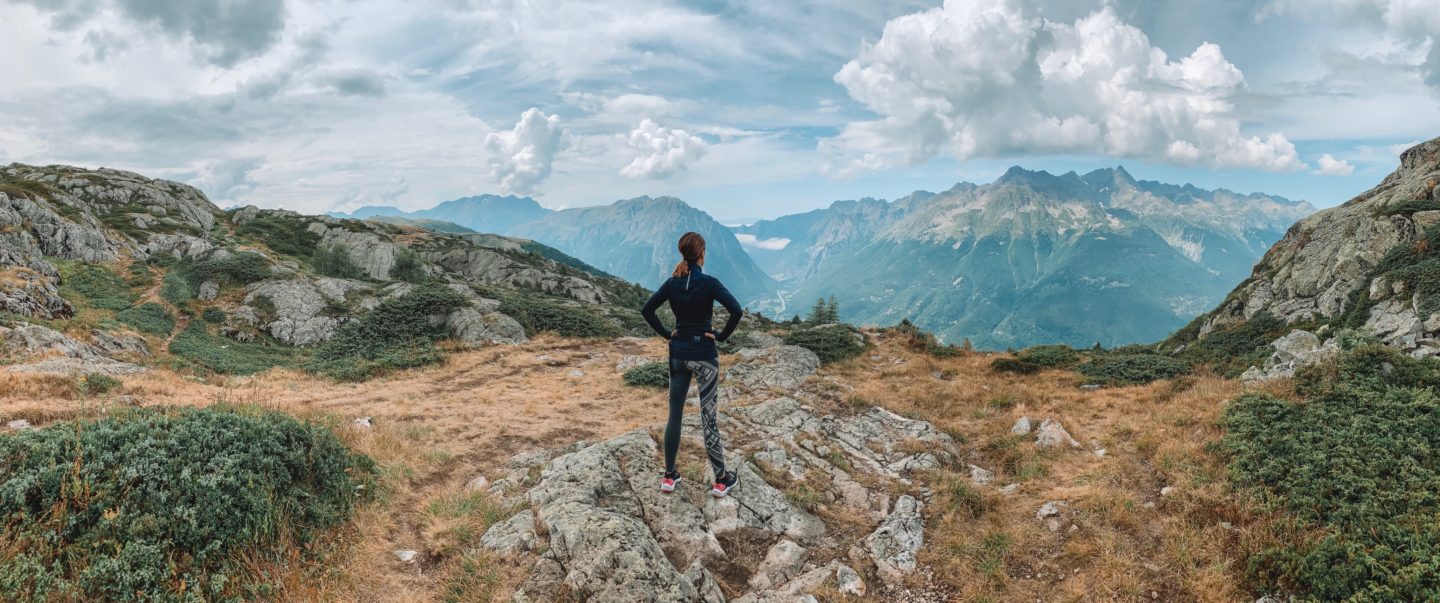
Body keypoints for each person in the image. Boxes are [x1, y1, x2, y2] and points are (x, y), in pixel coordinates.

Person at [641, 231, 743, 497]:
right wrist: (720, 335)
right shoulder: (709, 283)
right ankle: (721, 479)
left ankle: (669, 476)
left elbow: (647, 310)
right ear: (702, 254)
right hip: (705, 357)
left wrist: (667, 334)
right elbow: (737, 311)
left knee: (674, 415)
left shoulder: (672, 283)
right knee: (708, 418)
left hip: (678, 354)